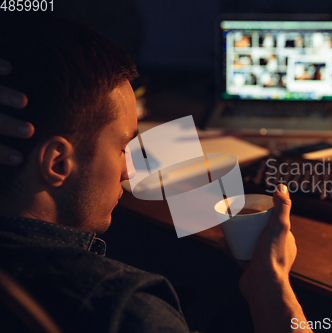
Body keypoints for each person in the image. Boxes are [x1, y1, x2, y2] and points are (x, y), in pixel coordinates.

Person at [0, 15, 313, 333]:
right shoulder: (126, 309)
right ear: (56, 163)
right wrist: (271, 282)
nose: (129, 170)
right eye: (123, 147)